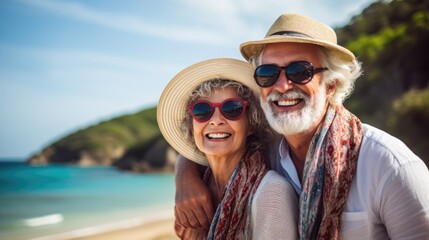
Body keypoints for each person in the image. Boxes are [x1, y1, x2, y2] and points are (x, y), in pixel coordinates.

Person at [174, 14, 429, 239]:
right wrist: (186, 178)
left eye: (300, 71)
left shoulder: (390, 166)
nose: (283, 85)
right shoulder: (268, 149)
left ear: (331, 85)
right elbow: (218, 141)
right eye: (268, 73)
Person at [157, 58, 298, 239]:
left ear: (251, 124)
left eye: (232, 109)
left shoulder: (272, 194)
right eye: (202, 111)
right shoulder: (197, 189)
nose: (216, 120)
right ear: (192, 127)